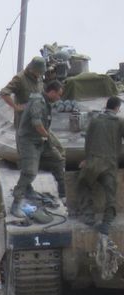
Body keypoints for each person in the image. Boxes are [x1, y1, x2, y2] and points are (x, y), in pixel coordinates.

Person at [10, 78, 67, 217]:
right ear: (52, 92)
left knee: (58, 160)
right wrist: (48, 137)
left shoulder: (46, 102)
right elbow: (37, 124)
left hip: (41, 139)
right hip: (29, 141)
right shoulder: (38, 102)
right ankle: (16, 203)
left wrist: (51, 141)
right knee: (29, 172)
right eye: (58, 95)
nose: (59, 98)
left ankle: (63, 195)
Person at [74, 95, 123, 233]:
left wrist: (86, 159)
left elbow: (88, 141)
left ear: (106, 106)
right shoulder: (119, 122)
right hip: (110, 163)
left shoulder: (94, 120)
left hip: (92, 162)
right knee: (110, 193)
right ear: (117, 108)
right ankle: (107, 222)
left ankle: (89, 218)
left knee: (83, 184)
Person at [0, 56, 47, 126]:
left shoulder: (39, 78)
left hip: (38, 120)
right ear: (32, 70)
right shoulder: (20, 78)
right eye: (39, 72)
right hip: (23, 122)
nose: (40, 74)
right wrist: (15, 107)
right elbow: (4, 93)